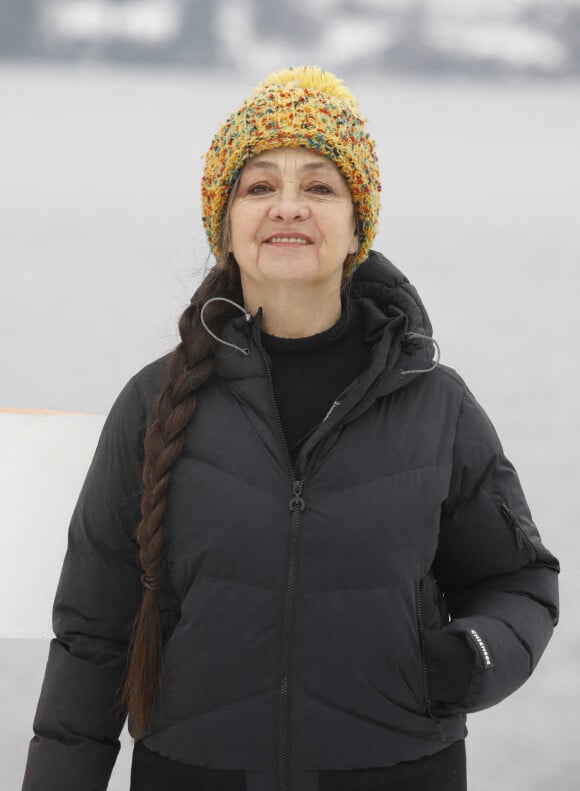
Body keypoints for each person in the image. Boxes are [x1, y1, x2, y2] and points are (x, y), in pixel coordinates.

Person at [22, 66, 559, 791]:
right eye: (260, 186)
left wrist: (472, 658)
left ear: (355, 227)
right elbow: (92, 636)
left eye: (319, 186)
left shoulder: (436, 405)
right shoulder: (152, 405)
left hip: (400, 772)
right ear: (227, 224)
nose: (289, 207)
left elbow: (519, 580)